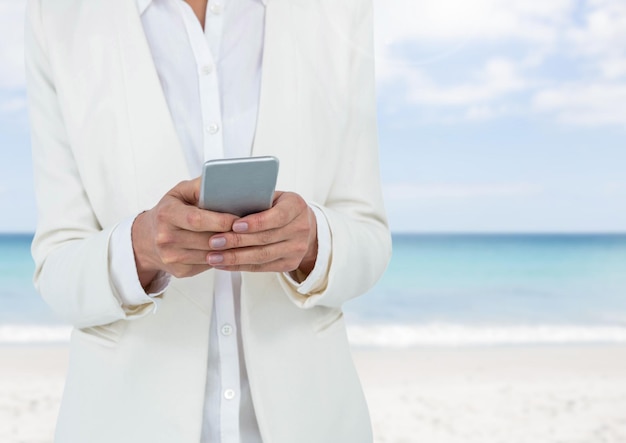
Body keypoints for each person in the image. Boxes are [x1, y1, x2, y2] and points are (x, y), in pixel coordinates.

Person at [25, 0, 391, 441]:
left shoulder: (339, 10)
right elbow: (57, 273)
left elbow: (369, 237)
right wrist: (140, 248)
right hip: (123, 421)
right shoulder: (58, 15)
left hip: (314, 421)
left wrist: (314, 242)